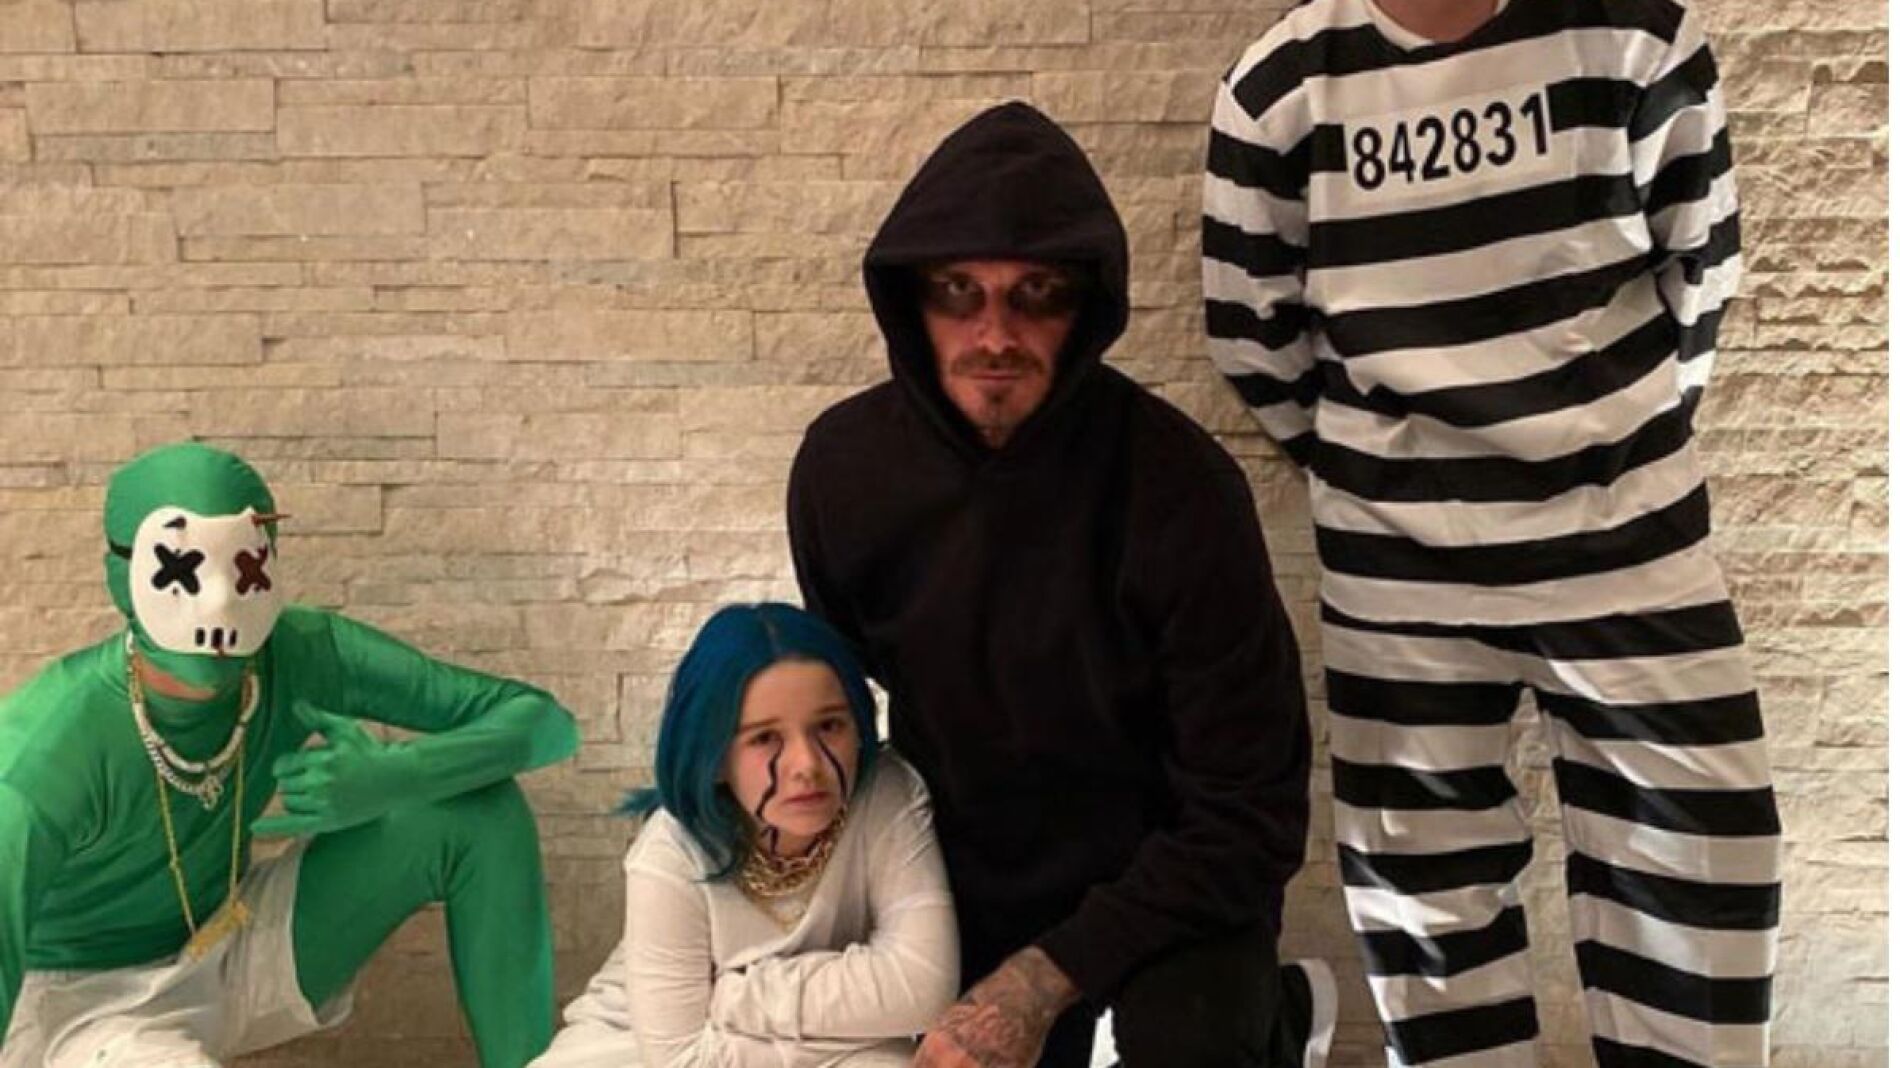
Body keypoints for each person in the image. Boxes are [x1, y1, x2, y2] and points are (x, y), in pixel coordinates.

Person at [1201, 0, 1779, 1064]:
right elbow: (1251, 334)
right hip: (1397, 572)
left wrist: (1606, 446)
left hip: (1629, 540)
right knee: (1422, 898)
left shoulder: (1636, 38)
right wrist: (1381, 477)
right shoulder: (1280, 90)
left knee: (1704, 859)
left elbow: (1701, 271)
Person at [787, 102, 1332, 1068]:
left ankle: (1274, 1018)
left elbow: (1250, 813)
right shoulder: (842, 472)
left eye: (1036, 294)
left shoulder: (1183, 488)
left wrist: (1040, 984)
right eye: (958, 291)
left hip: (1167, 885)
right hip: (951, 875)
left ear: (1086, 307)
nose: (995, 334)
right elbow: (835, 705)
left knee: (1191, 1045)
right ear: (910, 303)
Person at [0, 442, 580, 1068]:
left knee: (478, 810)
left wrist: (398, 776)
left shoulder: (297, 653)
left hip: (228, 936)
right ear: (124, 572)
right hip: (79, 1006)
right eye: (183, 565)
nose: (218, 604)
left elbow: (546, 724)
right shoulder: (45, 746)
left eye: (242, 565)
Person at [532, 603, 959, 1067]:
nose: (807, 764)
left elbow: (924, 987)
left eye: (829, 726)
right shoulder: (669, 852)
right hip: (637, 1041)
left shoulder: (885, 794)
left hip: (798, 1036)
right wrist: (863, 1020)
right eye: (764, 738)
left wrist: (738, 995)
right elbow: (680, 1058)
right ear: (713, 757)